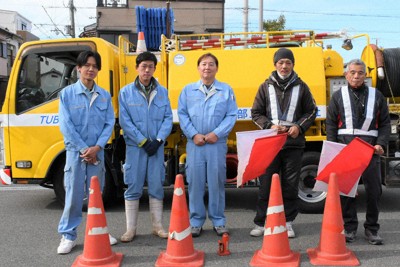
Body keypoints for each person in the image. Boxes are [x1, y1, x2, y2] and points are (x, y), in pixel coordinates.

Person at [250, 48, 317, 238]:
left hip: (293, 143)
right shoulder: (265, 86)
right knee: (266, 184)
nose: (284, 66)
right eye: (281, 62)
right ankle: (261, 222)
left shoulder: (302, 86)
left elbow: (311, 111)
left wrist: (299, 127)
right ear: (275, 65)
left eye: (288, 62)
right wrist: (269, 125)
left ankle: (288, 222)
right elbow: (256, 112)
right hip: (270, 142)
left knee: (290, 184)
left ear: (293, 65)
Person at [57, 50, 116, 254]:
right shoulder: (66, 94)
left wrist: (97, 147)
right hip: (76, 153)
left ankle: (98, 229)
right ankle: (68, 235)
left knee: (96, 194)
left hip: (97, 153)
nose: (91, 69)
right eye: (87, 65)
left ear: (98, 70)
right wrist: (84, 149)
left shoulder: (104, 95)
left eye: (94, 66)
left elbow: (109, 123)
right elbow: (66, 126)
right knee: (73, 194)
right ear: (78, 69)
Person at [326, 59, 390, 245]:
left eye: (360, 73)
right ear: (346, 75)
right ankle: (349, 227)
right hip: (345, 148)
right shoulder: (338, 96)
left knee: (374, 191)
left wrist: (381, 144)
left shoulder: (376, 95)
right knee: (346, 191)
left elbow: (385, 123)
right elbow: (330, 123)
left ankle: (372, 228)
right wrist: (334, 147)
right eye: (352, 72)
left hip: (370, 149)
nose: (356, 76)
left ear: (365, 75)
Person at [178, 53, 238, 237]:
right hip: (195, 144)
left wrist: (216, 134)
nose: (207, 67)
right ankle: (195, 221)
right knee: (195, 183)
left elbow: (231, 115)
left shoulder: (226, 90)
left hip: (216, 144)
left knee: (216, 183)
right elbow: (182, 114)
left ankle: (219, 221)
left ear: (216, 68)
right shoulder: (188, 91)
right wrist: (193, 134)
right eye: (203, 64)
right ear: (198, 68)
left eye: (211, 64)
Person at [119, 51, 173, 242]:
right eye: (143, 66)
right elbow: (125, 121)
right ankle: (130, 230)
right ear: (137, 68)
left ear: (154, 69)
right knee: (133, 185)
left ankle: (157, 227)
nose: (147, 70)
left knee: (157, 185)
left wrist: (158, 140)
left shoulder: (162, 91)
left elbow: (168, 118)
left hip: (156, 148)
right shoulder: (125, 92)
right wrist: (142, 141)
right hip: (136, 147)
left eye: (150, 66)